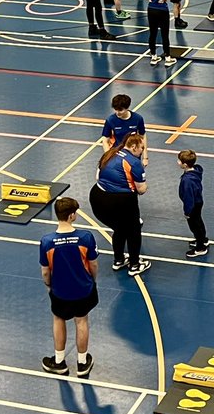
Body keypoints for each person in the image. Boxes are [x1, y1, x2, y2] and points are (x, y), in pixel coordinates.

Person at [39, 196, 98, 377]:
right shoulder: (86, 238)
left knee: (58, 319)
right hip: (83, 289)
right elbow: (93, 265)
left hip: (60, 291)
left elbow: (45, 272)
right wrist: (93, 281)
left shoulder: (47, 241)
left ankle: (59, 362)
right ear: (72, 215)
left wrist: (49, 286)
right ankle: (82, 363)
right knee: (82, 320)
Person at [89, 133, 151, 276]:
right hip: (121, 201)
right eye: (141, 148)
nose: (142, 151)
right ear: (134, 147)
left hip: (97, 197)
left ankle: (118, 260)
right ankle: (135, 265)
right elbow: (141, 190)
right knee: (133, 231)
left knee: (119, 229)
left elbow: (97, 177)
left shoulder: (110, 153)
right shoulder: (135, 163)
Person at [140, 0, 177, 66]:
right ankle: (168, 58)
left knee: (152, 34)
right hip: (162, 10)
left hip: (151, 9)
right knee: (165, 35)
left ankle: (154, 57)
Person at [177, 150, 208, 257]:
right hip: (198, 202)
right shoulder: (196, 171)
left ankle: (200, 248)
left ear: (185, 165)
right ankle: (203, 240)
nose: (178, 162)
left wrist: (187, 212)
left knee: (195, 226)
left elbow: (188, 198)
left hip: (193, 205)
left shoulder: (187, 180)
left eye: (179, 161)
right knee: (199, 221)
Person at [102, 94, 147, 160]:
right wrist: (109, 157)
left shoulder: (137, 119)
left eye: (120, 110)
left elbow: (142, 137)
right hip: (118, 154)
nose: (117, 112)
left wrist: (145, 157)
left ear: (127, 108)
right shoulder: (110, 120)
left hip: (134, 155)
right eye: (116, 109)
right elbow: (105, 140)